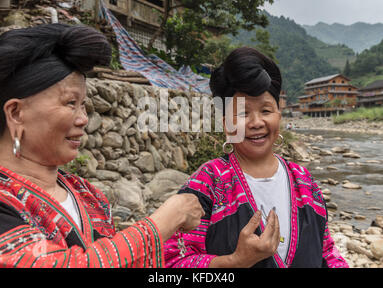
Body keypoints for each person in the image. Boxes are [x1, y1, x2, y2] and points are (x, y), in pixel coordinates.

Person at [0, 24, 204, 268]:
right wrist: (168, 219)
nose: (83, 118)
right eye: (70, 103)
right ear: (15, 112)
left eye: (83, 104)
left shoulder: (88, 195)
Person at [164, 47, 348, 268]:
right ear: (226, 124)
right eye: (243, 113)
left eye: (266, 111)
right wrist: (235, 261)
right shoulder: (208, 183)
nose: (256, 122)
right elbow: (173, 260)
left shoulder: (304, 180)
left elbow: (326, 251)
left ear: (279, 115)